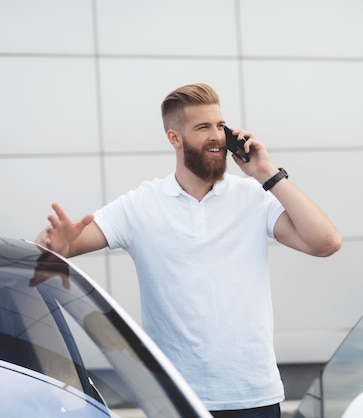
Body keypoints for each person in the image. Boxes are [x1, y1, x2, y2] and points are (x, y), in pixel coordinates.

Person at [35, 83, 342, 417]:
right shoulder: (141, 205)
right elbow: (60, 247)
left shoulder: (253, 197)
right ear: (174, 138)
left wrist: (267, 173)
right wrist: (54, 244)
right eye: (202, 127)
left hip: (253, 395)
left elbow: (325, 243)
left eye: (219, 126)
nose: (217, 136)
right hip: (176, 400)